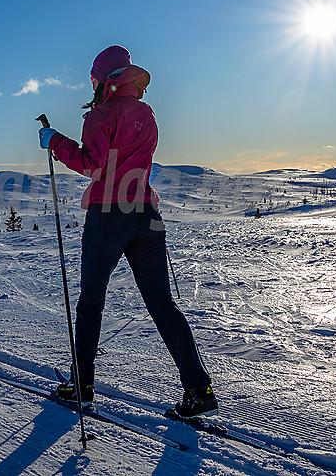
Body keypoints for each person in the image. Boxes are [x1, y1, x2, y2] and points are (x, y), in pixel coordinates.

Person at [37, 45, 217, 418]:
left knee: (90, 304)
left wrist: (56, 142)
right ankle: (198, 389)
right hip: (146, 212)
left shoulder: (102, 114)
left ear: (105, 80)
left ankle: (81, 387)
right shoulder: (146, 113)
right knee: (162, 304)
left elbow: (93, 164)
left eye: (94, 80)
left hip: (109, 214)